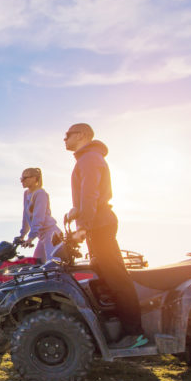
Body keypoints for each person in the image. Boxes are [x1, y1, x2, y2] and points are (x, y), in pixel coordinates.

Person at [64, 123, 148, 349]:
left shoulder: (89, 158)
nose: (64, 139)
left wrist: (83, 226)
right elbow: (87, 197)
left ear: (81, 135)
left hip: (99, 224)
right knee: (105, 278)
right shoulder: (87, 158)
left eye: (68, 135)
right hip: (96, 224)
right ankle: (114, 330)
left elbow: (91, 194)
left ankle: (137, 335)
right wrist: (76, 211)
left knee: (117, 279)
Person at [18, 167, 62, 262]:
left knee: (54, 264)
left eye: (25, 178)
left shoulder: (40, 193)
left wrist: (31, 237)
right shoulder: (26, 194)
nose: (22, 180)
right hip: (41, 235)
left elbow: (38, 217)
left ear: (34, 178)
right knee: (36, 264)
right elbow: (26, 217)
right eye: (21, 178)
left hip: (51, 235)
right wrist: (22, 235)